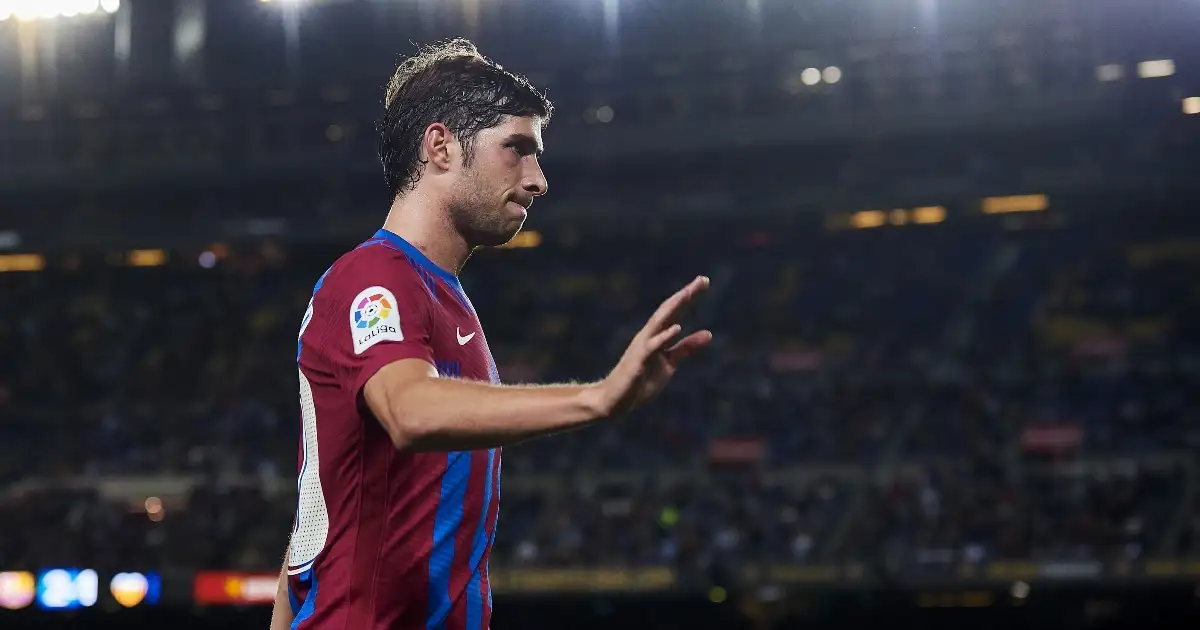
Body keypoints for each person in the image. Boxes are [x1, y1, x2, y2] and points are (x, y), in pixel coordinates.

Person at [269, 39, 711, 630]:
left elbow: (310, 531)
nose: (538, 181)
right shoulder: (371, 278)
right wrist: (597, 397)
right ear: (440, 146)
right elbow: (410, 410)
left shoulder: (444, 300)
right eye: (517, 149)